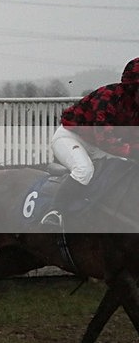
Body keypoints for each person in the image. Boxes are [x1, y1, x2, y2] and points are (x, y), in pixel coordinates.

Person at [41, 56, 139, 226]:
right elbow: (105, 137)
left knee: (121, 167)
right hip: (70, 137)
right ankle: (54, 212)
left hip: (97, 145)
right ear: (132, 87)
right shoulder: (107, 97)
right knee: (84, 170)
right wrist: (131, 151)